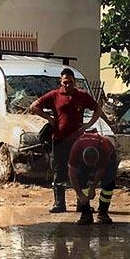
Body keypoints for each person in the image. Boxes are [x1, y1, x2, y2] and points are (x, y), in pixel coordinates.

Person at [30, 68, 101, 213]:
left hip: (77, 142)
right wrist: (49, 118)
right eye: (65, 82)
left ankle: (82, 203)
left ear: (74, 82)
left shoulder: (82, 95)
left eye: (70, 82)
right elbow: (34, 106)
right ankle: (59, 203)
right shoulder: (54, 95)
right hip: (59, 140)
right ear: (60, 82)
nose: (67, 85)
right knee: (59, 172)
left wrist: (88, 124)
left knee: (81, 172)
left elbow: (97, 109)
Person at [68, 133, 118, 225]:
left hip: (109, 157)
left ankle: (103, 213)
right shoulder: (76, 149)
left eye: (93, 164)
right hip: (84, 155)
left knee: (109, 183)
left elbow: (101, 170)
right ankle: (86, 214)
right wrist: (80, 194)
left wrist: (93, 188)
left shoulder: (105, 149)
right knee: (80, 179)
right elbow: (72, 174)